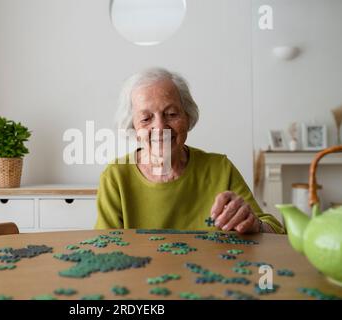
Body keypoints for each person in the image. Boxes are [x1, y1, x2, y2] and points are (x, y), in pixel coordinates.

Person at [95, 68, 284, 234]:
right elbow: (104, 248)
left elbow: (274, 230)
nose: (160, 128)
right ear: (133, 128)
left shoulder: (220, 168)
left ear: (188, 116)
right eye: (146, 119)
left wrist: (255, 224)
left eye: (171, 114)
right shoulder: (115, 177)